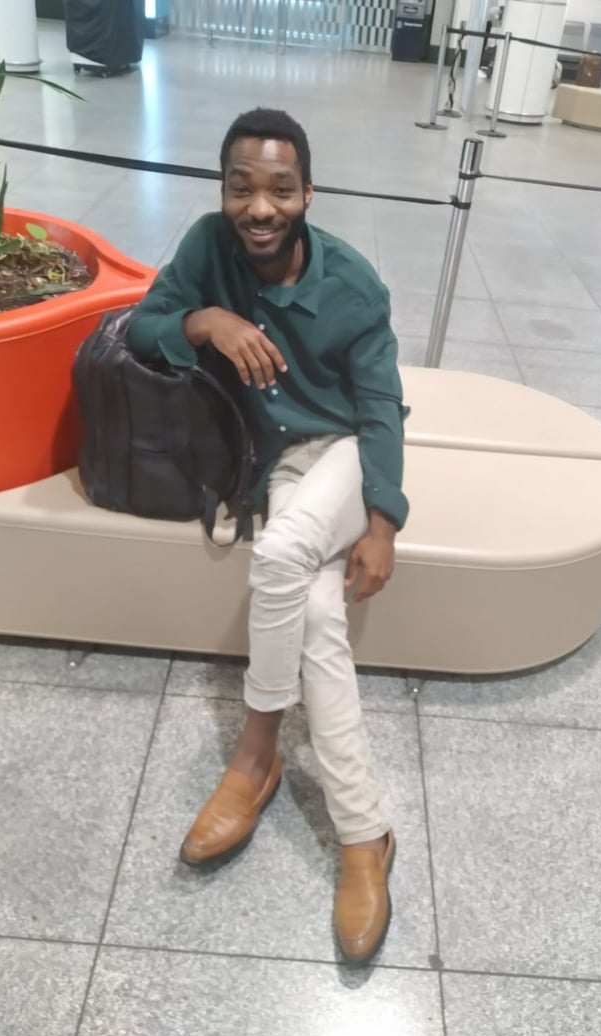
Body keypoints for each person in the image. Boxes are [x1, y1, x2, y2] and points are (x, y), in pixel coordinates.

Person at [127, 108, 408, 966]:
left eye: (280, 189)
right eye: (241, 187)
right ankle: (364, 832)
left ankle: (255, 755)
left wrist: (383, 520)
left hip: (346, 451)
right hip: (283, 462)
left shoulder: (352, 285)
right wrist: (204, 321)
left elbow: (380, 408)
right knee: (316, 612)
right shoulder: (208, 247)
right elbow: (142, 326)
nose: (259, 207)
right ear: (223, 190)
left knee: (282, 555)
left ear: (308, 194)